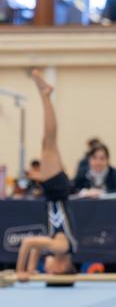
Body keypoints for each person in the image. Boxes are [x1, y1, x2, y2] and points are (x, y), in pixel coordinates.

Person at [15, 70, 77, 281]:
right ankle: (45, 94)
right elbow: (28, 244)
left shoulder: (62, 247)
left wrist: (31, 268)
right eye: (49, 270)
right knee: (49, 141)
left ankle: (45, 95)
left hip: (57, 192)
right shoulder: (61, 246)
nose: (46, 268)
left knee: (48, 142)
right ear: (60, 268)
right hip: (56, 192)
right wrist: (20, 271)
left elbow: (36, 249)